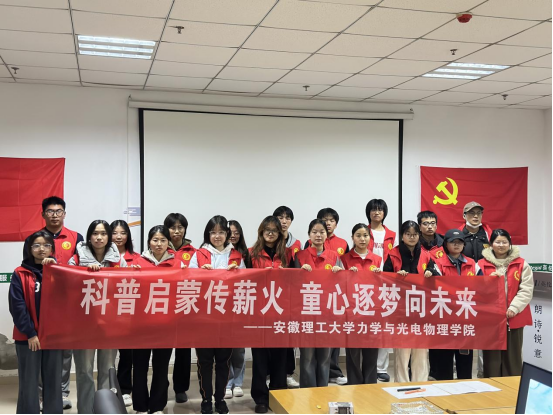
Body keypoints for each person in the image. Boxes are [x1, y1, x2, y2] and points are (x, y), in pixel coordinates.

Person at [23, 196, 83, 410]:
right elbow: (27, 266)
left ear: (64, 214)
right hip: (41, 301)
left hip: (67, 302)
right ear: (43, 214)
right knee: (42, 347)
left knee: (64, 350)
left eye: (58, 211)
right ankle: (42, 395)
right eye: (50, 211)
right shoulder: (33, 238)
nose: (55, 215)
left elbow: (80, 267)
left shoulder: (76, 237)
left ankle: (62, 392)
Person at [188, 216, 245, 415]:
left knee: (223, 361)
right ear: (208, 234)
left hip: (226, 318)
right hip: (203, 319)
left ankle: (220, 399)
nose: (217, 236)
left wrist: (236, 274)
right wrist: (200, 274)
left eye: (221, 232)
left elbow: (245, 285)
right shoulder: (199, 255)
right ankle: (206, 399)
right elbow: (188, 283)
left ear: (227, 234)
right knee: (204, 362)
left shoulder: (236, 256)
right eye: (213, 232)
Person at [68, 220, 123, 414]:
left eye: (103, 234)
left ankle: (105, 410)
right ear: (89, 236)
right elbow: (67, 285)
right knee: (84, 371)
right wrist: (84, 273)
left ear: (109, 237)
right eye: (95, 233)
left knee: (108, 370)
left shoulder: (118, 260)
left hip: (110, 323)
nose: (99, 237)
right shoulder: (76, 258)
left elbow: (128, 286)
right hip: (84, 324)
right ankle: (86, 410)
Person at [9, 230, 62, 414]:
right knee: (29, 381)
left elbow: (67, 300)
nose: (42, 249)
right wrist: (30, 333)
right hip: (28, 337)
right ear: (29, 249)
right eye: (37, 245)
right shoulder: (20, 273)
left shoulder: (60, 272)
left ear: (52, 249)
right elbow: (17, 306)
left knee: (53, 380)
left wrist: (56, 270)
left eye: (46, 245)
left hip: (53, 337)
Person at [132, 225, 177, 415]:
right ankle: (141, 406)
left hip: (166, 325)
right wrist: (131, 273)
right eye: (155, 240)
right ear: (149, 242)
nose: (159, 244)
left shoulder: (177, 264)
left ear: (169, 243)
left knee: (161, 366)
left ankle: (157, 406)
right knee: (140, 366)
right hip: (140, 325)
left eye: (163, 240)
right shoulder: (137, 262)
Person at [383, 221, 434, 383]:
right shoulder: (393, 254)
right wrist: (396, 277)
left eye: (415, 234)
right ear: (402, 236)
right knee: (402, 351)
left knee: (421, 350)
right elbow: (384, 280)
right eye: (408, 234)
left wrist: (430, 272)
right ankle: (402, 383)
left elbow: (436, 278)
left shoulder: (426, 254)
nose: (412, 237)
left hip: (421, 309)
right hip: (400, 309)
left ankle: (421, 382)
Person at [478, 229, 534, 378]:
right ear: (491, 244)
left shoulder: (521, 264)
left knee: (513, 358)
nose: (501, 245)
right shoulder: (480, 264)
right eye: (498, 242)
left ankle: (513, 388)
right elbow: (475, 289)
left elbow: (526, 289)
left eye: (504, 242)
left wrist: (514, 307)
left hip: (514, 317)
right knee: (491, 359)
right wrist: (488, 281)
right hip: (490, 320)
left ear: (510, 244)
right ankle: (492, 386)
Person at [295, 219, 343, 389]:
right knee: (307, 356)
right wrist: (300, 273)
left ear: (326, 235)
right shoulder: (300, 256)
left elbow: (342, 285)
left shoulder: (334, 257)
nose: (318, 235)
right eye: (314, 232)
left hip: (327, 313)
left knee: (324, 356)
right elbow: (292, 284)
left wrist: (340, 273)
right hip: (306, 312)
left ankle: (322, 390)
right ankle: (307, 391)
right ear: (309, 234)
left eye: (322, 232)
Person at [249, 216, 290, 414]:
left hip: (281, 312)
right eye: (267, 230)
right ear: (261, 232)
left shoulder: (288, 254)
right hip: (259, 312)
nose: (271, 233)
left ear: (280, 233)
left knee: (280, 357)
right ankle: (260, 399)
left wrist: (285, 274)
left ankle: (278, 396)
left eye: (274, 230)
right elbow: (243, 281)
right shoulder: (251, 253)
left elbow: (297, 281)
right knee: (259, 358)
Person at [429, 229, 479, 381]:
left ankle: (465, 389)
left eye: (460, 242)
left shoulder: (472, 264)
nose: (456, 245)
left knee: (465, 360)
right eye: (453, 242)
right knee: (444, 360)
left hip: (465, 319)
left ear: (464, 245)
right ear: (446, 244)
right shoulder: (437, 263)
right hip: (444, 318)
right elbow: (436, 288)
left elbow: (482, 286)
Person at [341, 224, 382, 385]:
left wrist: (379, 276)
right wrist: (346, 276)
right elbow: (338, 285)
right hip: (352, 311)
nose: (362, 239)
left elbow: (382, 286)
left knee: (371, 350)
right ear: (352, 238)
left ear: (370, 238)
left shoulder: (377, 259)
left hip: (372, 311)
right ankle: (354, 382)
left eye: (365, 235)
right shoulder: (345, 259)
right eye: (358, 235)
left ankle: (370, 382)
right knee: (353, 351)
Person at [459, 201, 493, 378]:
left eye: (479, 213)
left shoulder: (488, 235)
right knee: (464, 328)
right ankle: (460, 368)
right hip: (463, 290)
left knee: (484, 329)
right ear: (464, 215)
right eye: (471, 213)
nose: (475, 216)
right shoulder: (458, 235)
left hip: (485, 289)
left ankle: (483, 370)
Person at [164, 213, 195, 405]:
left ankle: (181, 388)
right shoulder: (159, 247)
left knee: (183, 350)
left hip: (185, 305)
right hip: (164, 306)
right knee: (163, 349)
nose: (177, 231)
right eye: (173, 227)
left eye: (180, 227)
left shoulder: (193, 251)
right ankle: (161, 385)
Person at [365, 199, 397, 383]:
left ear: (384, 213)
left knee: (384, 326)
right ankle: (367, 365)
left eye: (380, 209)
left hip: (386, 283)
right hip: (367, 284)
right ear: (368, 212)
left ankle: (381, 368)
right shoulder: (363, 232)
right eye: (373, 209)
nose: (376, 212)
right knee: (367, 326)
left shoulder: (391, 234)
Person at [111, 220, 140, 408]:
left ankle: (125, 389)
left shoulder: (137, 258)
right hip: (107, 311)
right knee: (107, 354)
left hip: (129, 312)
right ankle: (109, 387)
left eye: (122, 233)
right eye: (114, 233)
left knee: (127, 354)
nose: (118, 236)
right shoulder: (104, 257)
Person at [273, 206, 302, 389]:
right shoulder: (269, 241)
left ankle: (288, 373)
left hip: (290, 295)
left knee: (289, 335)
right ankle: (272, 373)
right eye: (280, 217)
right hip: (272, 295)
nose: (284, 221)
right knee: (272, 334)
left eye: (287, 218)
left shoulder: (297, 244)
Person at [225, 220, 250, 401]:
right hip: (221, 306)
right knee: (225, 348)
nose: (233, 235)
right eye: (230, 232)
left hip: (240, 304)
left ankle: (238, 382)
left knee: (239, 348)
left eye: (236, 232)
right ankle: (227, 382)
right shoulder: (212, 252)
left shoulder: (245, 254)